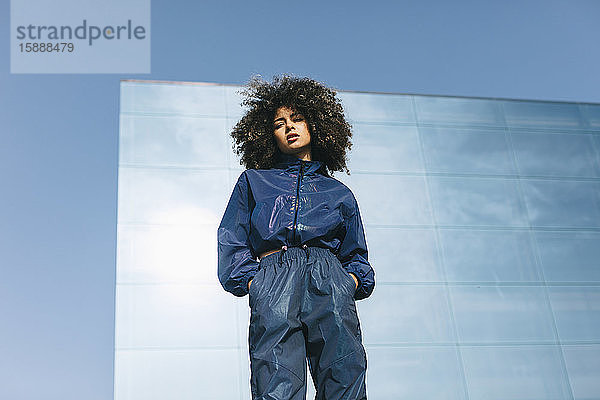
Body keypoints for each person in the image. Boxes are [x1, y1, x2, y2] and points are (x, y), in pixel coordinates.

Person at [217, 75, 375, 400]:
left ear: (315, 124)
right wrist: (252, 282)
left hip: (328, 277)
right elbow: (233, 237)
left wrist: (350, 282)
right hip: (274, 277)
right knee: (276, 381)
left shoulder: (339, 192)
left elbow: (355, 253)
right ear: (267, 135)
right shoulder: (254, 182)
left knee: (344, 376)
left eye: (297, 119)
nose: (289, 127)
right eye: (279, 123)